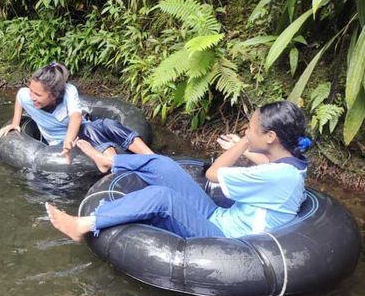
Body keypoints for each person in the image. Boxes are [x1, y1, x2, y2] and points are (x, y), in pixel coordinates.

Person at [45, 101, 311, 242]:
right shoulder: (289, 167)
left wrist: (242, 145)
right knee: (162, 164)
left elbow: (213, 173)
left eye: (251, 128)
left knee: (162, 197)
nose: (246, 131)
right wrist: (251, 148)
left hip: (229, 239)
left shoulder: (277, 177)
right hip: (221, 217)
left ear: (270, 137)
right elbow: (270, 166)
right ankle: (109, 162)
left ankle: (83, 225)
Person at [0, 61, 153, 166]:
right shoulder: (27, 95)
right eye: (31, 91)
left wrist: (69, 138)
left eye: (37, 95)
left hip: (78, 131)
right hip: (58, 143)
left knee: (107, 124)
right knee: (88, 129)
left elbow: (76, 117)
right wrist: (16, 123)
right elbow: (19, 97)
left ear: (54, 94)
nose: (32, 97)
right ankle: (113, 163)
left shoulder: (68, 91)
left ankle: (150, 156)